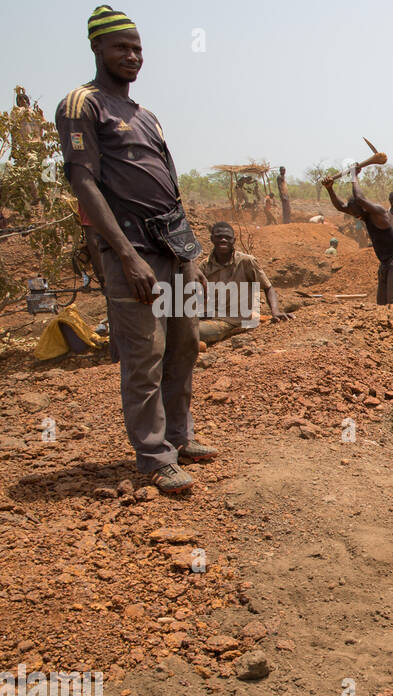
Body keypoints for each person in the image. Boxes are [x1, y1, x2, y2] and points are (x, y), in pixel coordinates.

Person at [57, 5, 213, 495]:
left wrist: (190, 256)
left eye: (138, 48)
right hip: (134, 254)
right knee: (145, 355)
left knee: (184, 346)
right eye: (122, 47)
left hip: (172, 250)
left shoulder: (147, 116)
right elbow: (83, 182)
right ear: (96, 47)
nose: (132, 56)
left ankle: (179, 438)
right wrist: (125, 255)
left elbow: (169, 189)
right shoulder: (82, 104)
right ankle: (154, 456)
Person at [322, 169, 393, 305]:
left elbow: (360, 199)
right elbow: (340, 207)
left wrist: (354, 175)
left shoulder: (378, 212)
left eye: (355, 212)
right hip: (385, 262)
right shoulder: (364, 215)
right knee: (382, 304)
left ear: (363, 208)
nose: (354, 216)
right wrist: (330, 189)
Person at [198, 221, 286, 343]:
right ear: (212, 239)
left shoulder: (247, 262)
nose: (223, 240)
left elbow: (268, 287)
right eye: (219, 237)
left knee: (195, 332)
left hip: (235, 319)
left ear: (233, 240)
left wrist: (275, 311)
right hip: (213, 316)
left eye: (227, 237)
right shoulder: (204, 266)